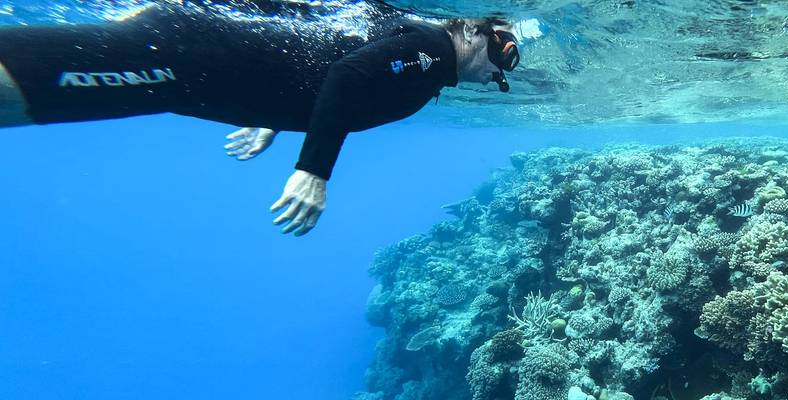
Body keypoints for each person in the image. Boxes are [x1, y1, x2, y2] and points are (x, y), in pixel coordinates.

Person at [0, 1, 521, 236]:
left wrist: (274, 114)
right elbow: (347, 77)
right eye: (503, 47)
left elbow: (323, 51)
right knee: (33, 82)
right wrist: (313, 171)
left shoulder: (413, 47)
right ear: (472, 30)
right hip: (194, 57)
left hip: (199, 73)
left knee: (38, 101)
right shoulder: (430, 47)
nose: (500, 67)